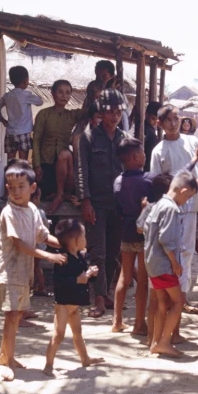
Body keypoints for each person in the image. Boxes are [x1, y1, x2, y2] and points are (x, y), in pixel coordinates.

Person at [0, 161, 67, 381]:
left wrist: (67, 246)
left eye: (21, 186)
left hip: (24, 272)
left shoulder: (33, 210)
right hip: (9, 271)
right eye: (12, 187)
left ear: (32, 188)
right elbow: (19, 245)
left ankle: (4, 355)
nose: (16, 192)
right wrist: (48, 256)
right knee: (12, 315)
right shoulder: (9, 213)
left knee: (16, 316)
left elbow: (43, 236)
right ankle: (7, 362)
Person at [149, 105, 198, 321]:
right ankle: (172, 298)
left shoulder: (192, 142)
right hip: (171, 210)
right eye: (168, 120)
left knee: (187, 251)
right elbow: (156, 181)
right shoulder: (158, 151)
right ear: (160, 124)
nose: (173, 123)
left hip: (191, 206)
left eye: (176, 119)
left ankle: (183, 297)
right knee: (171, 251)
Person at [76, 88, 131, 318]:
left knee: (114, 251)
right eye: (110, 112)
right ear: (101, 112)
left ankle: (107, 293)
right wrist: (85, 201)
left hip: (118, 205)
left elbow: (131, 172)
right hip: (96, 203)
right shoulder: (88, 138)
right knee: (97, 251)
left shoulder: (125, 139)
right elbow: (82, 172)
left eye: (119, 112)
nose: (115, 116)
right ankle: (97, 298)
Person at [144, 171, 198, 357]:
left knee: (162, 303)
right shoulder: (171, 209)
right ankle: (165, 342)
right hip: (165, 264)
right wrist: (175, 262)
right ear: (183, 191)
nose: (187, 200)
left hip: (152, 263)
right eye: (189, 196)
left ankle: (155, 342)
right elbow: (166, 239)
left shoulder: (158, 204)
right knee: (178, 302)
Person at [43, 219, 105, 377]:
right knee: (59, 334)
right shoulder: (62, 259)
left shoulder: (79, 257)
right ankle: (48, 365)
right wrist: (84, 276)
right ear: (76, 241)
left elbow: (84, 276)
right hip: (63, 303)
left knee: (77, 332)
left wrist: (91, 273)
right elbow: (61, 281)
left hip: (74, 304)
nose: (86, 239)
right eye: (84, 236)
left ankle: (85, 359)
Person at [111, 138, 152, 335]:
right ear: (136, 157)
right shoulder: (147, 180)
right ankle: (138, 323)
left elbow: (117, 210)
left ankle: (117, 321)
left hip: (125, 234)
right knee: (142, 281)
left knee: (124, 278)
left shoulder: (118, 182)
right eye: (143, 152)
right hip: (143, 236)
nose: (145, 155)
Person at [32, 79, 86, 213]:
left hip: (64, 165)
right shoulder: (43, 114)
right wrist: (37, 165)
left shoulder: (72, 115)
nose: (64, 96)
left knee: (65, 155)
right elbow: (36, 140)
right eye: (60, 92)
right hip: (46, 163)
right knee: (45, 202)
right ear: (53, 93)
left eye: (68, 93)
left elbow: (91, 109)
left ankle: (63, 195)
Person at [0, 65, 44, 160]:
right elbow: (40, 102)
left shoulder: (7, 96)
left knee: (10, 162)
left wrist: (3, 120)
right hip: (24, 132)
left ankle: (9, 175)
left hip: (10, 133)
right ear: (25, 81)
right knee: (23, 162)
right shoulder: (26, 95)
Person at [94, 60, 131, 131]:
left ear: (112, 77)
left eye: (104, 76)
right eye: (98, 76)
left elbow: (126, 113)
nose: (100, 79)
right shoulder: (93, 88)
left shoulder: (119, 94)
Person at [143, 102, 161, 172]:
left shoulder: (151, 129)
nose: (155, 122)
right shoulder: (144, 129)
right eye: (153, 119)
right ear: (146, 115)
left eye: (157, 120)